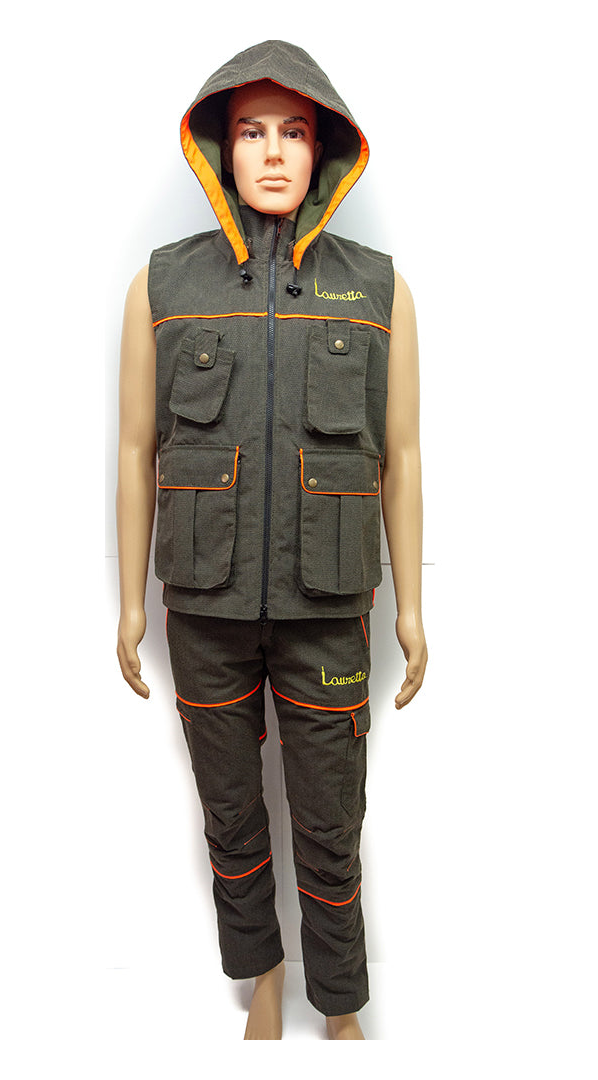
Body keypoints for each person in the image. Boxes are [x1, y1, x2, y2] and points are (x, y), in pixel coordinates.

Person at [116, 40, 426, 1040]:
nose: (275, 152)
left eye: (295, 131)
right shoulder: (163, 286)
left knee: (332, 823)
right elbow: (135, 449)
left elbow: (402, 456)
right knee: (232, 815)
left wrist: (413, 611)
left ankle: (339, 1008)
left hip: (327, 610)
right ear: (220, 146)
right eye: (252, 132)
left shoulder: (377, 291)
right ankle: (260, 977)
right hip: (204, 608)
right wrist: (129, 607)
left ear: (326, 148)